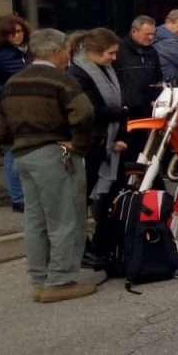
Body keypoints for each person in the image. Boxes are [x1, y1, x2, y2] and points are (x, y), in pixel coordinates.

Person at [0, 28, 97, 303]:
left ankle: (40, 279)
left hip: (23, 154)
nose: (68, 55)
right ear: (56, 51)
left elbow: (2, 123)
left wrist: (15, 144)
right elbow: (84, 113)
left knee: (35, 219)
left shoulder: (13, 82)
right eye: (66, 50)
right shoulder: (60, 80)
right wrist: (79, 146)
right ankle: (61, 279)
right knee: (65, 218)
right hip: (54, 152)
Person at [66, 28, 129, 233]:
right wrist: (120, 113)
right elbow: (91, 109)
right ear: (95, 51)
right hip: (92, 140)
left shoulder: (106, 69)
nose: (114, 57)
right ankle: (82, 243)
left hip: (108, 138)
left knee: (109, 192)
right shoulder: (77, 73)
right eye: (110, 53)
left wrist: (119, 133)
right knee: (84, 195)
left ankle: (105, 236)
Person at [0, 13, 33, 211]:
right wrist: (3, 90)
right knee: (12, 151)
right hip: (8, 109)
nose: (17, 36)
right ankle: (17, 198)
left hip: (32, 107)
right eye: (12, 33)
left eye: (19, 32)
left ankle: (26, 194)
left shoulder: (28, 53)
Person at [112, 15, 163, 162]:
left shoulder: (152, 52)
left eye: (153, 34)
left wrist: (156, 98)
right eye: (147, 34)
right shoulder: (119, 52)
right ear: (134, 31)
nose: (151, 37)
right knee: (127, 150)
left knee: (144, 150)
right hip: (127, 111)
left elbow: (158, 78)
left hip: (147, 111)